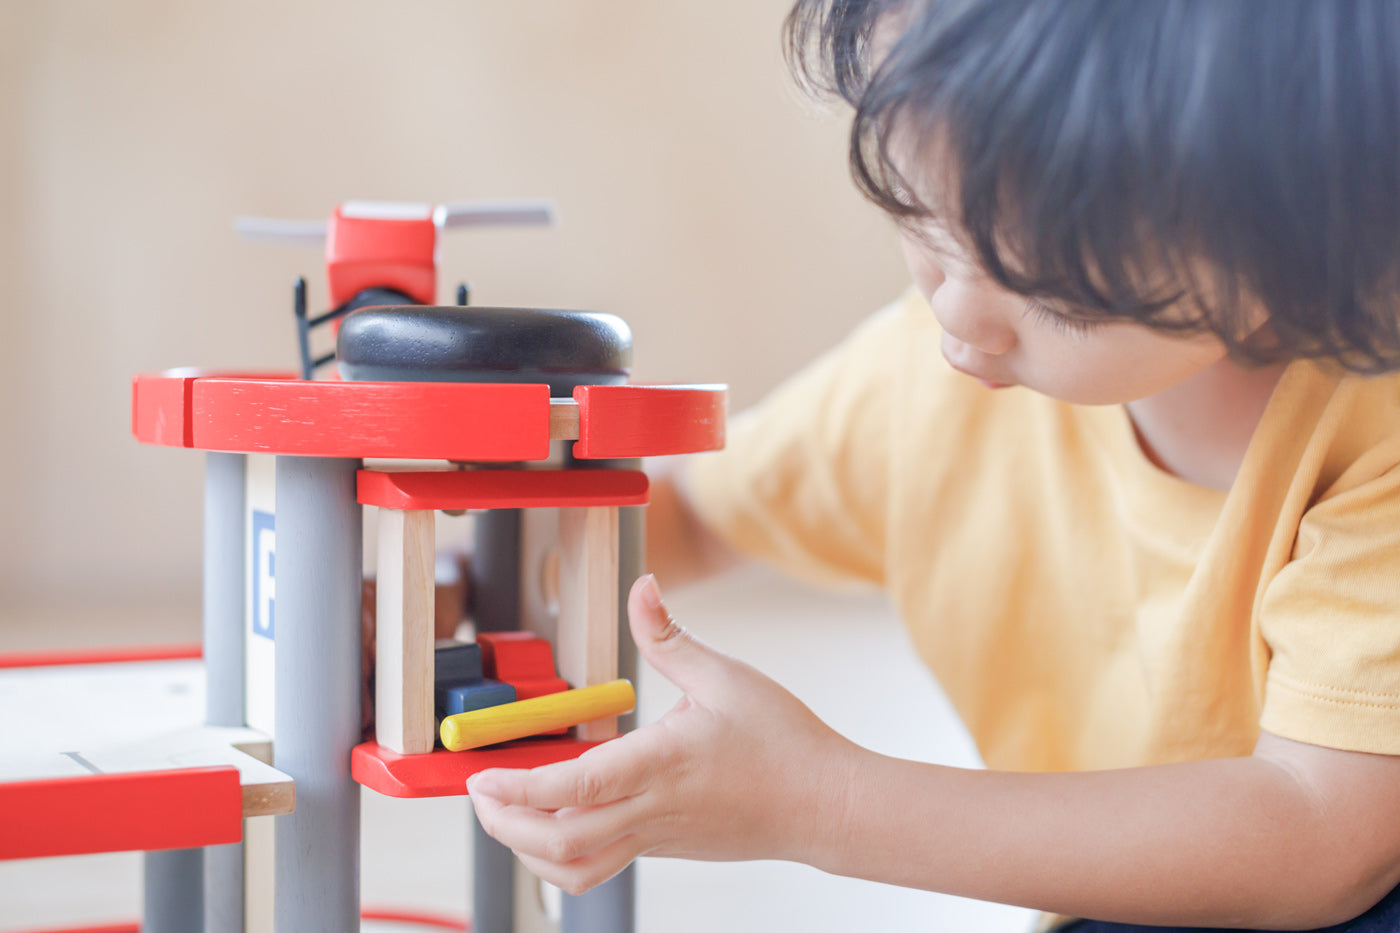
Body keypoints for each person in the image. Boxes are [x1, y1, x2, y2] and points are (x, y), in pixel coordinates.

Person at [463, 1, 1400, 929]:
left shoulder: (1374, 440)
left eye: (1056, 295)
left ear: (1303, 258)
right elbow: (688, 515)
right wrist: (463, 583)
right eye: (921, 218)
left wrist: (819, 801)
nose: (957, 315)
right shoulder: (918, 386)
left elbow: (1319, 829)